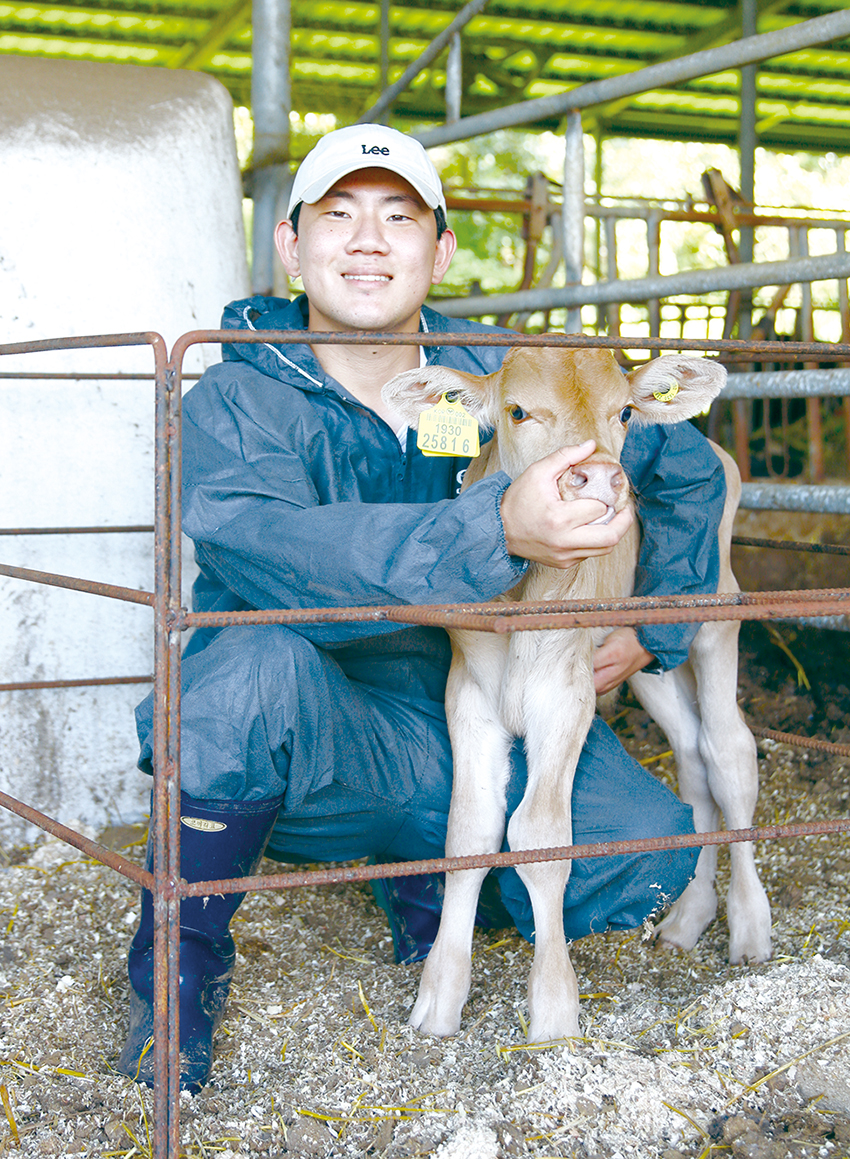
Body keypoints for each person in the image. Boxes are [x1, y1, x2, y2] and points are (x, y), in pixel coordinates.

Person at [117, 124, 726, 1092]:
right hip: (308, 725)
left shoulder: (502, 375)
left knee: (645, 859)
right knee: (237, 678)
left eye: (398, 217)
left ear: (439, 250)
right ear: (288, 245)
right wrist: (498, 534)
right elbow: (271, 553)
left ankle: (427, 875)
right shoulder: (237, 399)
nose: (367, 241)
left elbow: (683, 463)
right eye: (339, 216)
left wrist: (651, 628)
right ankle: (177, 960)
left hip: (465, 709)